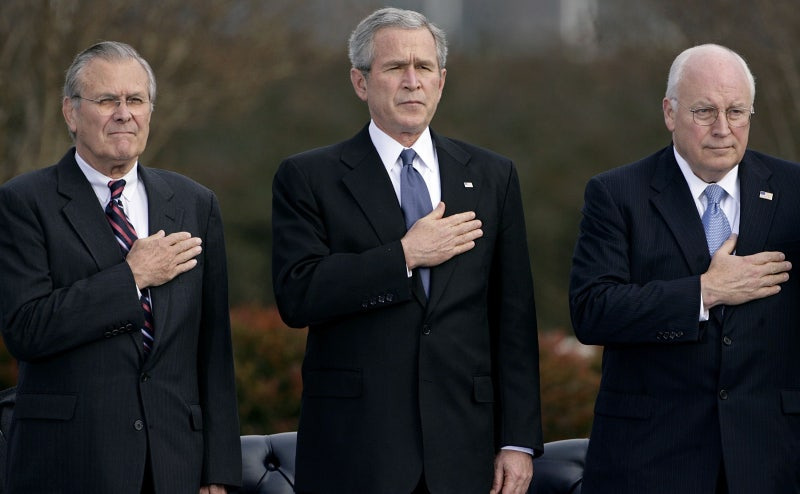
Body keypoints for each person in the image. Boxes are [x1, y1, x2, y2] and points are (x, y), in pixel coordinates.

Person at [271, 7, 542, 494]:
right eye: (395, 67)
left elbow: (513, 319)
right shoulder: (309, 177)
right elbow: (298, 294)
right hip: (355, 451)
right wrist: (403, 257)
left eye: (424, 68)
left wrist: (518, 441)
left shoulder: (492, 175)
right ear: (360, 82)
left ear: (442, 81)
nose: (412, 82)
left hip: (465, 450)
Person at [0, 41, 241, 493]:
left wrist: (219, 472)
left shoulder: (195, 203)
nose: (124, 114)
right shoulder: (23, 202)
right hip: (70, 462)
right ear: (71, 112)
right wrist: (130, 278)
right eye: (107, 100)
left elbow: (214, 349)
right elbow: (25, 329)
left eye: (136, 100)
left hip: (174, 465)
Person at [569, 43, 800, 494]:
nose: (722, 129)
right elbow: (592, 310)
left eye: (736, 112)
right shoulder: (616, 194)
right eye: (704, 111)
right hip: (650, 464)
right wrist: (704, 292)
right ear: (670, 113)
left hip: (771, 461)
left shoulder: (794, 192)